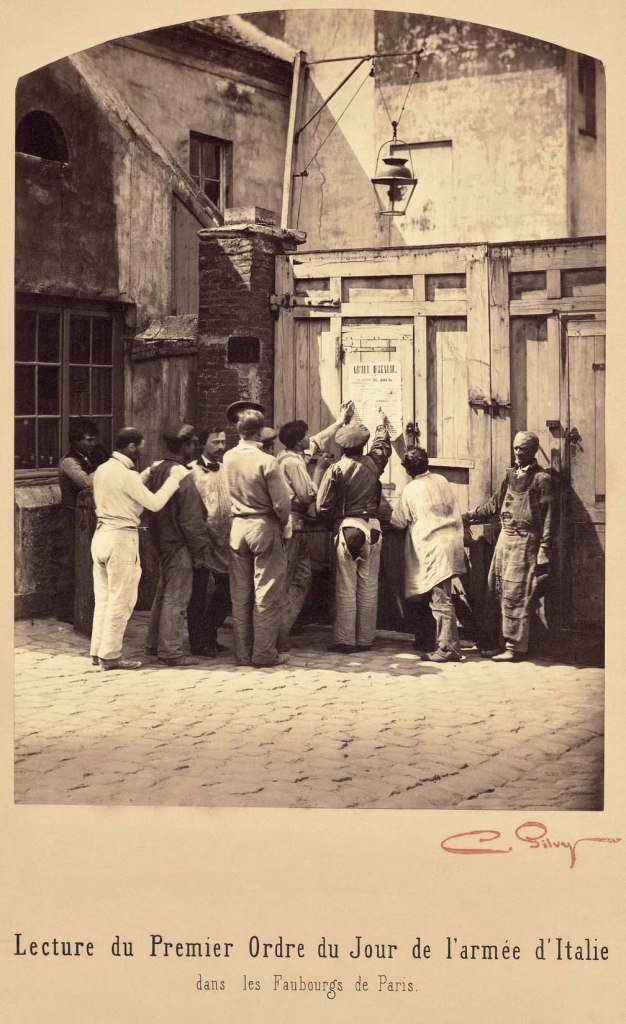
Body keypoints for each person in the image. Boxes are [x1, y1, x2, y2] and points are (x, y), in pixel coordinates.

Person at [89, 427, 188, 670]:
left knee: (103, 597)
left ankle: (97, 650)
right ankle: (111, 655)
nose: (141, 452)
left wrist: (147, 472)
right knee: (121, 599)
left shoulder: (103, 469)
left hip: (101, 535)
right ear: (132, 447)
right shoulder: (127, 475)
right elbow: (154, 504)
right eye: (140, 447)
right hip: (121, 538)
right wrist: (175, 479)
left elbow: (126, 489)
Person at [463, 430, 555, 662]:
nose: (517, 453)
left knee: (517, 593)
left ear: (532, 451)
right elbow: (493, 506)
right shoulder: (511, 475)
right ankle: (499, 642)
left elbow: (549, 519)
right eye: (515, 448)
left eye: (521, 449)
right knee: (495, 591)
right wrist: (468, 516)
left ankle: (515, 648)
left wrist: (544, 550)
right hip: (505, 540)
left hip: (525, 542)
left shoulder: (542, 480)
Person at [275, 402, 354, 649]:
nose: (310, 438)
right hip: (293, 525)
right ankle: (276, 635)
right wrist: (320, 470)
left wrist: (340, 422)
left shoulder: (289, 455)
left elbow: (319, 440)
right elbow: (308, 496)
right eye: (305, 436)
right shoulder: (294, 463)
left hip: (298, 526)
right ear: (299, 442)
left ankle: (281, 629)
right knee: (289, 578)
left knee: (303, 577)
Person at [223, 408, 291, 668]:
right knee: (266, 592)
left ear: (238, 431)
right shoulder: (266, 461)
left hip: (237, 526)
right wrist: (284, 524)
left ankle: (242, 653)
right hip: (263, 524)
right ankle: (264, 653)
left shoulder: (228, 457)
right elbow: (282, 505)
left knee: (240, 595)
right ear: (260, 431)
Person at [316, 419, 391, 653]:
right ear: (363, 445)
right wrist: (381, 426)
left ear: (342, 447)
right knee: (369, 587)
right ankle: (366, 639)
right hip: (374, 529)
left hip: (349, 527)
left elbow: (323, 506)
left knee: (347, 586)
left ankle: (346, 640)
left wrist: (331, 525)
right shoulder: (375, 463)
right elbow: (383, 447)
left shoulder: (336, 469)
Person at [390, 447, 467, 662]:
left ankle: (448, 649)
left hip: (433, 546)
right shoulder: (442, 480)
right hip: (451, 541)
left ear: (407, 470)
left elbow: (399, 521)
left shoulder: (411, 489)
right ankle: (431, 640)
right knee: (436, 594)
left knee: (440, 598)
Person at [146, 424, 211, 667]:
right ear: (183, 446)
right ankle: (171, 651)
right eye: (193, 444)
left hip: (161, 540)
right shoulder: (182, 474)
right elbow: (191, 519)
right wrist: (199, 550)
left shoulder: (157, 469)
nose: (195, 448)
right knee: (177, 598)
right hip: (179, 542)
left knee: (163, 594)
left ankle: (153, 644)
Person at [187, 426, 232, 657]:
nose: (221, 447)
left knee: (227, 591)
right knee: (199, 594)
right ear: (203, 444)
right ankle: (198, 642)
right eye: (216, 442)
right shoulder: (191, 472)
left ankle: (210, 633)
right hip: (203, 541)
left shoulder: (228, 470)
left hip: (225, 541)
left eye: (223, 442)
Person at [57, 417, 100, 622]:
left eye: (94, 439)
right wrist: (106, 468)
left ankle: (83, 608)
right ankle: (66, 611)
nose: (93, 443)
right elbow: (86, 483)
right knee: (71, 561)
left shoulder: (88, 458)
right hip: (71, 516)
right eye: (89, 440)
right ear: (76, 440)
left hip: (87, 516)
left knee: (87, 562)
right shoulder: (69, 461)